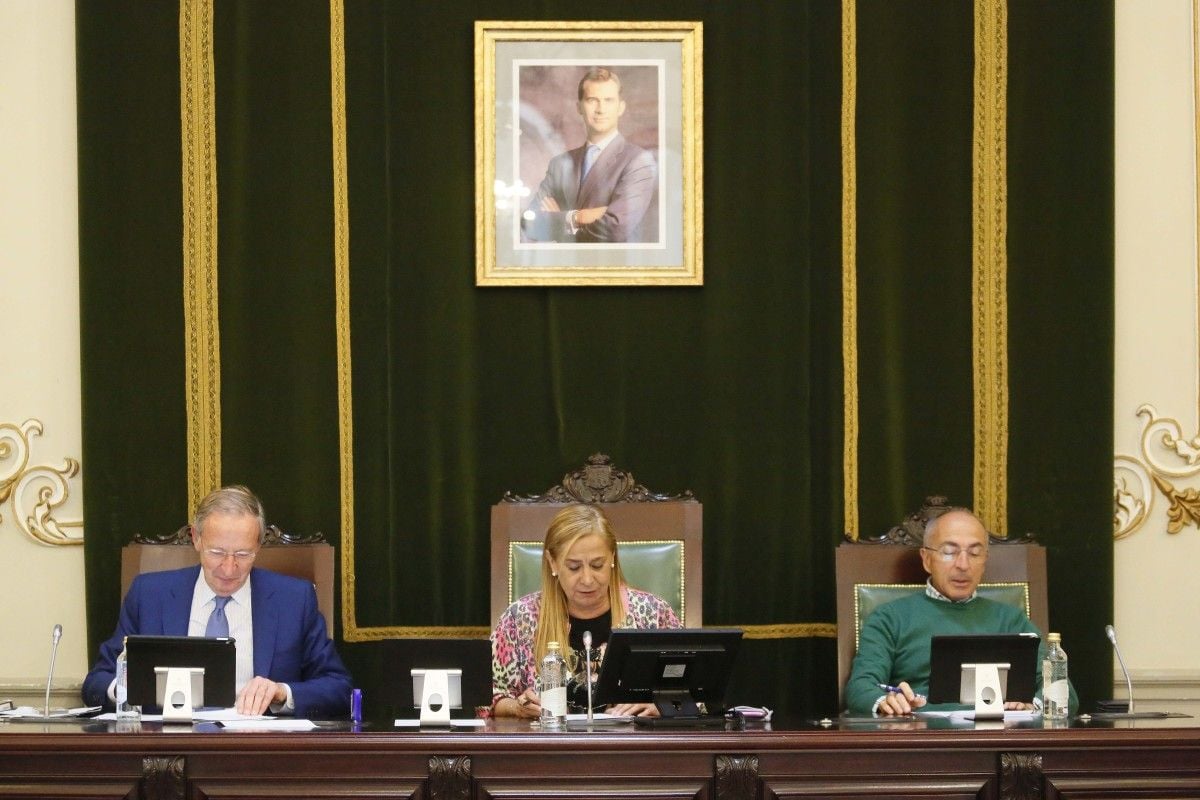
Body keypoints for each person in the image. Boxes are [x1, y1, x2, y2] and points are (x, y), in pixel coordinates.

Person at [83, 485, 353, 718]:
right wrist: (127, 688)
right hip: (167, 745)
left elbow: (338, 687)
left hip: (257, 750)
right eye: (217, 552)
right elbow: (96, 683)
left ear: (259, 545)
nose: (229, 567)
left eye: (243, 553)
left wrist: (282, 692)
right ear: (196, 539)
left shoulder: (294, 599)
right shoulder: (150, 594)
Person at [844, 508, 1079, 716]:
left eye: (974, 553)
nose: (963, 565)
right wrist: (888, 701)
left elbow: (1061, 687)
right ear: (926, 559)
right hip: (921, 737)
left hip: (999, 736)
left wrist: (1032, 707)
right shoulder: (889, 618)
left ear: (985, 560)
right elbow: (860, 687)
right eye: (949, 551)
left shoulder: (1011, 620)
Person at [491, 503, 681, 718]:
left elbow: (699, 694)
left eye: (597, 565)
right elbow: (487, 699)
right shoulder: (518, 620)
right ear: (552, 563)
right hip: (549, 747)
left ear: (612, 559)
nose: (588, 579)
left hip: (632, 746)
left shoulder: (654, 614)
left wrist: (662, 706)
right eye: (574, 567)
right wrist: (517, 707)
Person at [521, 67, 658, 243]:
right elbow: (530, 224)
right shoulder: (559, 163)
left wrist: (564, 218)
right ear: (579, 107)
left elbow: (614, 228)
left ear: (620, 107)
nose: (600, 109)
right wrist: (584, 216)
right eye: (592, 100)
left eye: (608, 100)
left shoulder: (638, 161)